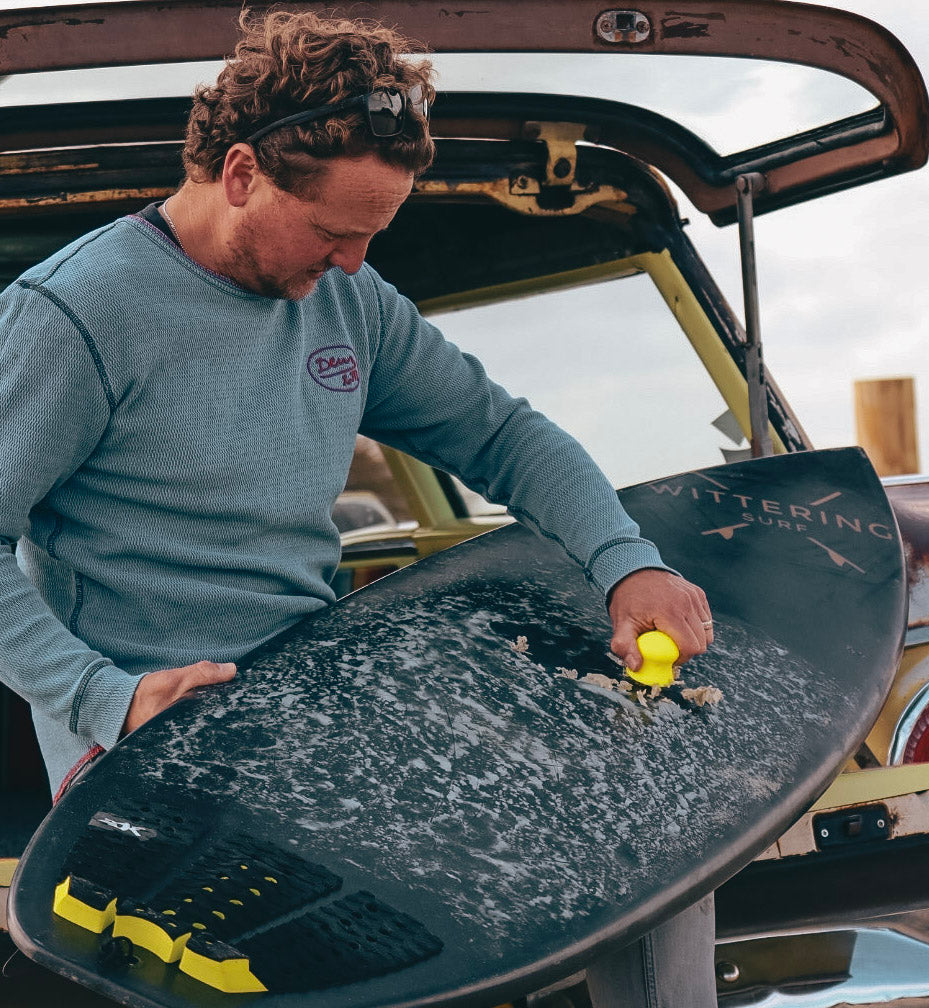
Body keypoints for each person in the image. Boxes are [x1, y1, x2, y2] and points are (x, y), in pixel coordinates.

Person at [0, 11, 716, 1006]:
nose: (349, 263)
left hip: (312, 707)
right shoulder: (75, 314)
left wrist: (625, 559)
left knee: (638, 815)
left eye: (372, 236)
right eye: (333, 232)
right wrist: (104, 697)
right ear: (241, 173)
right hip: (145, 746)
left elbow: (505, 436)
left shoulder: (350, 304)